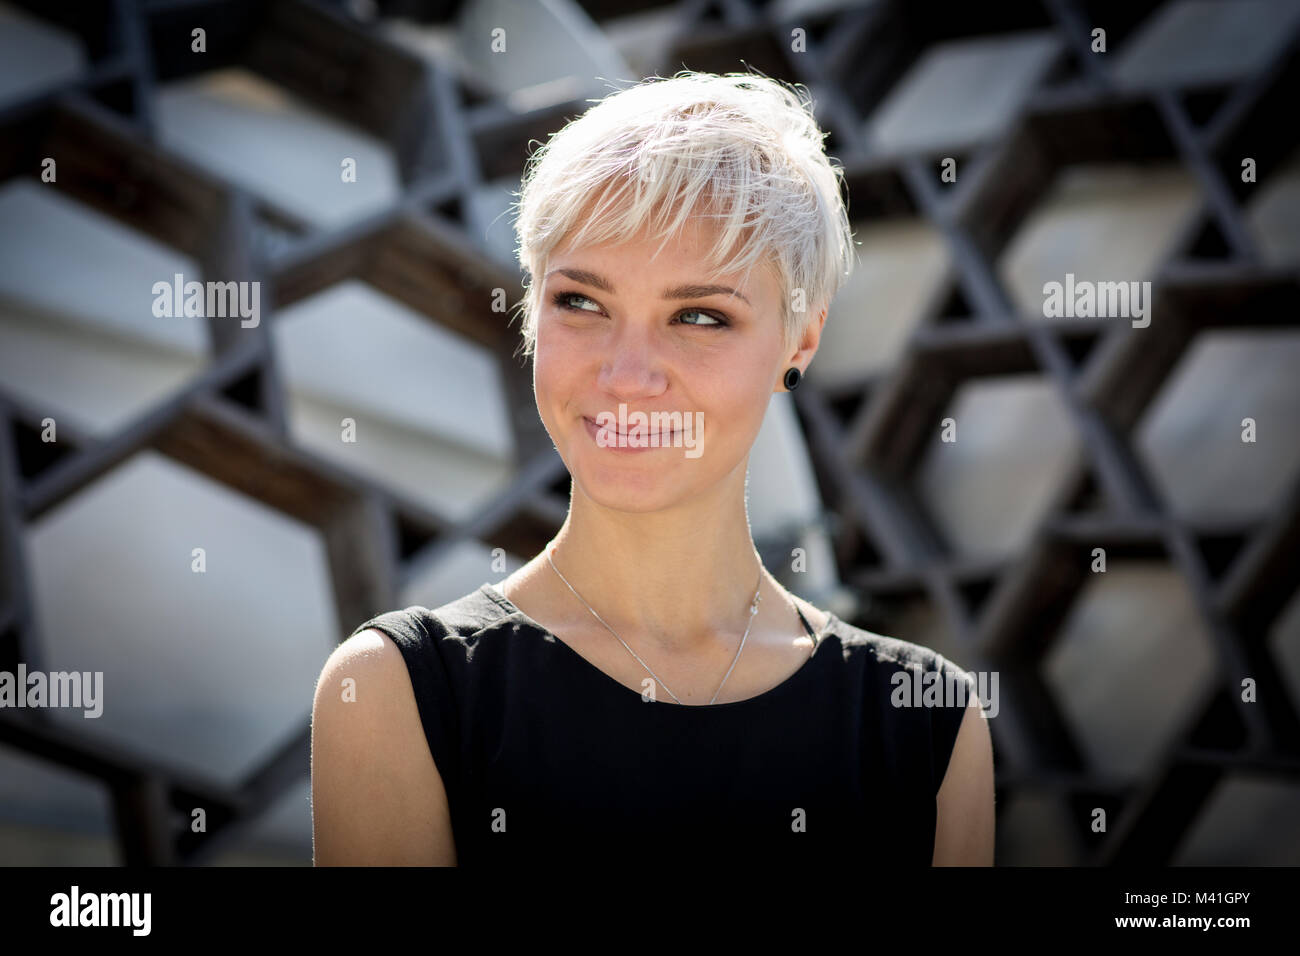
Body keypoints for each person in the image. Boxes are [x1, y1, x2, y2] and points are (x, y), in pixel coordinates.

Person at [311, 69, 994, 867]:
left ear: (800, 341)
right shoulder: (398, 693)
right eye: (582, 303)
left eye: (699, 316)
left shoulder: (925, 722)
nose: (628, 374)